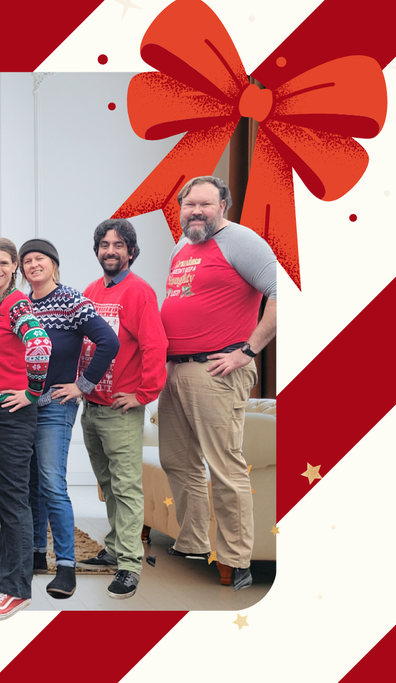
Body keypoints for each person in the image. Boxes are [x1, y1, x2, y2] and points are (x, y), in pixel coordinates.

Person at [159, 176, 277, 592]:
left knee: (224, 467)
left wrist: (248, 350)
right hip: (175, 369)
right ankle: (192, 540)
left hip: (217, 369)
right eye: (189, 204)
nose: (196, 211)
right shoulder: (182, 245)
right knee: (178, 459)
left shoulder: (242, 241)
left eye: (205, 204)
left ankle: (235, 559)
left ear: (223, 205)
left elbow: (282, 293)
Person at [18, 238, 119, 600]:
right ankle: (33, 555)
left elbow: (108, 341)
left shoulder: (71, 299)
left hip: (56, 405)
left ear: (53, 264)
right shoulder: (20, 304)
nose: (33, 265)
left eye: (39, 258)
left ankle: (66, 566)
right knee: (30, 483)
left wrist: (82, 385)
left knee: (51, 483)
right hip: (23, 405)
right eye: (26, 260)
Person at [76, 219, 168, 600]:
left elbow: (155, 346)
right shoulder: (92, 291)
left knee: (126, 487)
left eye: (118, 245)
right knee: (108, 484)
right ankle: (114, 547)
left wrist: (143, 394)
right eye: (104, 244)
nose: (110, 251)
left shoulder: (139, 293)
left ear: (131, 251)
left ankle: (130, 564)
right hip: (92, 406)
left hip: (121, 408)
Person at [0, 238, 51, 621]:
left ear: (14, 265)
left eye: (3, 262)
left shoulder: (17, 303)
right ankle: (5, 568)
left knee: (14, 500)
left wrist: (33, 391)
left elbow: (40, 344)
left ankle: (16, 590)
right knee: (2, 496)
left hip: (10, 413)